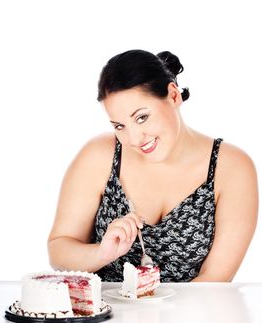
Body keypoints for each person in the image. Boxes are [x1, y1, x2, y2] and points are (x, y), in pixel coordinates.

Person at [47, 49, 258, 282]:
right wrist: (101, 253)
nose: (134, 139)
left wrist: (155, 318)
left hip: (192, 316)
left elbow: (215, 280)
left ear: (173, 95)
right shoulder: (99, 155)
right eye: (119, 126)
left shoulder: (232, 168)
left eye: (141, 117)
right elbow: (59, 249)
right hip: (103, 316)